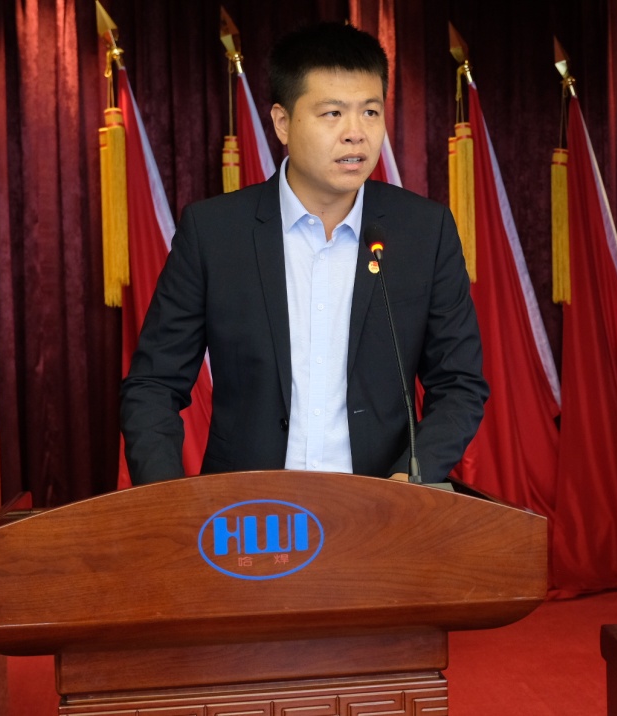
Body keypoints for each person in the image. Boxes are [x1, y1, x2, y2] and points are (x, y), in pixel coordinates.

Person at [120, 21, 488, 485]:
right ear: (282, 123)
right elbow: (153, 385)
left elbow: (459, 384)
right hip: (248, 509)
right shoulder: (214, 233)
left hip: (381, 505)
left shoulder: (423, 232)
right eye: (332, 113)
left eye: (370, 112)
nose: (356, 133)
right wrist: (166, 501)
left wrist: (410, 479)